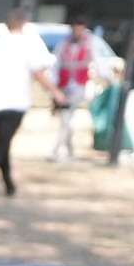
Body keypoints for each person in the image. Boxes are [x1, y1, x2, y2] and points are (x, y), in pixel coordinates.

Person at [0, 11, 53, 199]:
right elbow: (40, 69)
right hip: (16, 101)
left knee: (3, 143)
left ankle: (9, 185)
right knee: (3, 144)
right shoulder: (27, 45)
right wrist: (55, 92)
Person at [48, 19, 101, 160]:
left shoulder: (90, 44)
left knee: (66, 117)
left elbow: (97, 62)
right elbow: (56, 64)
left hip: (79, 85)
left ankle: (55, 150)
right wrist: (53, 87)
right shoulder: (64, 44)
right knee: (66, 119)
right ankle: (70, 150)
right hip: (64, 85)